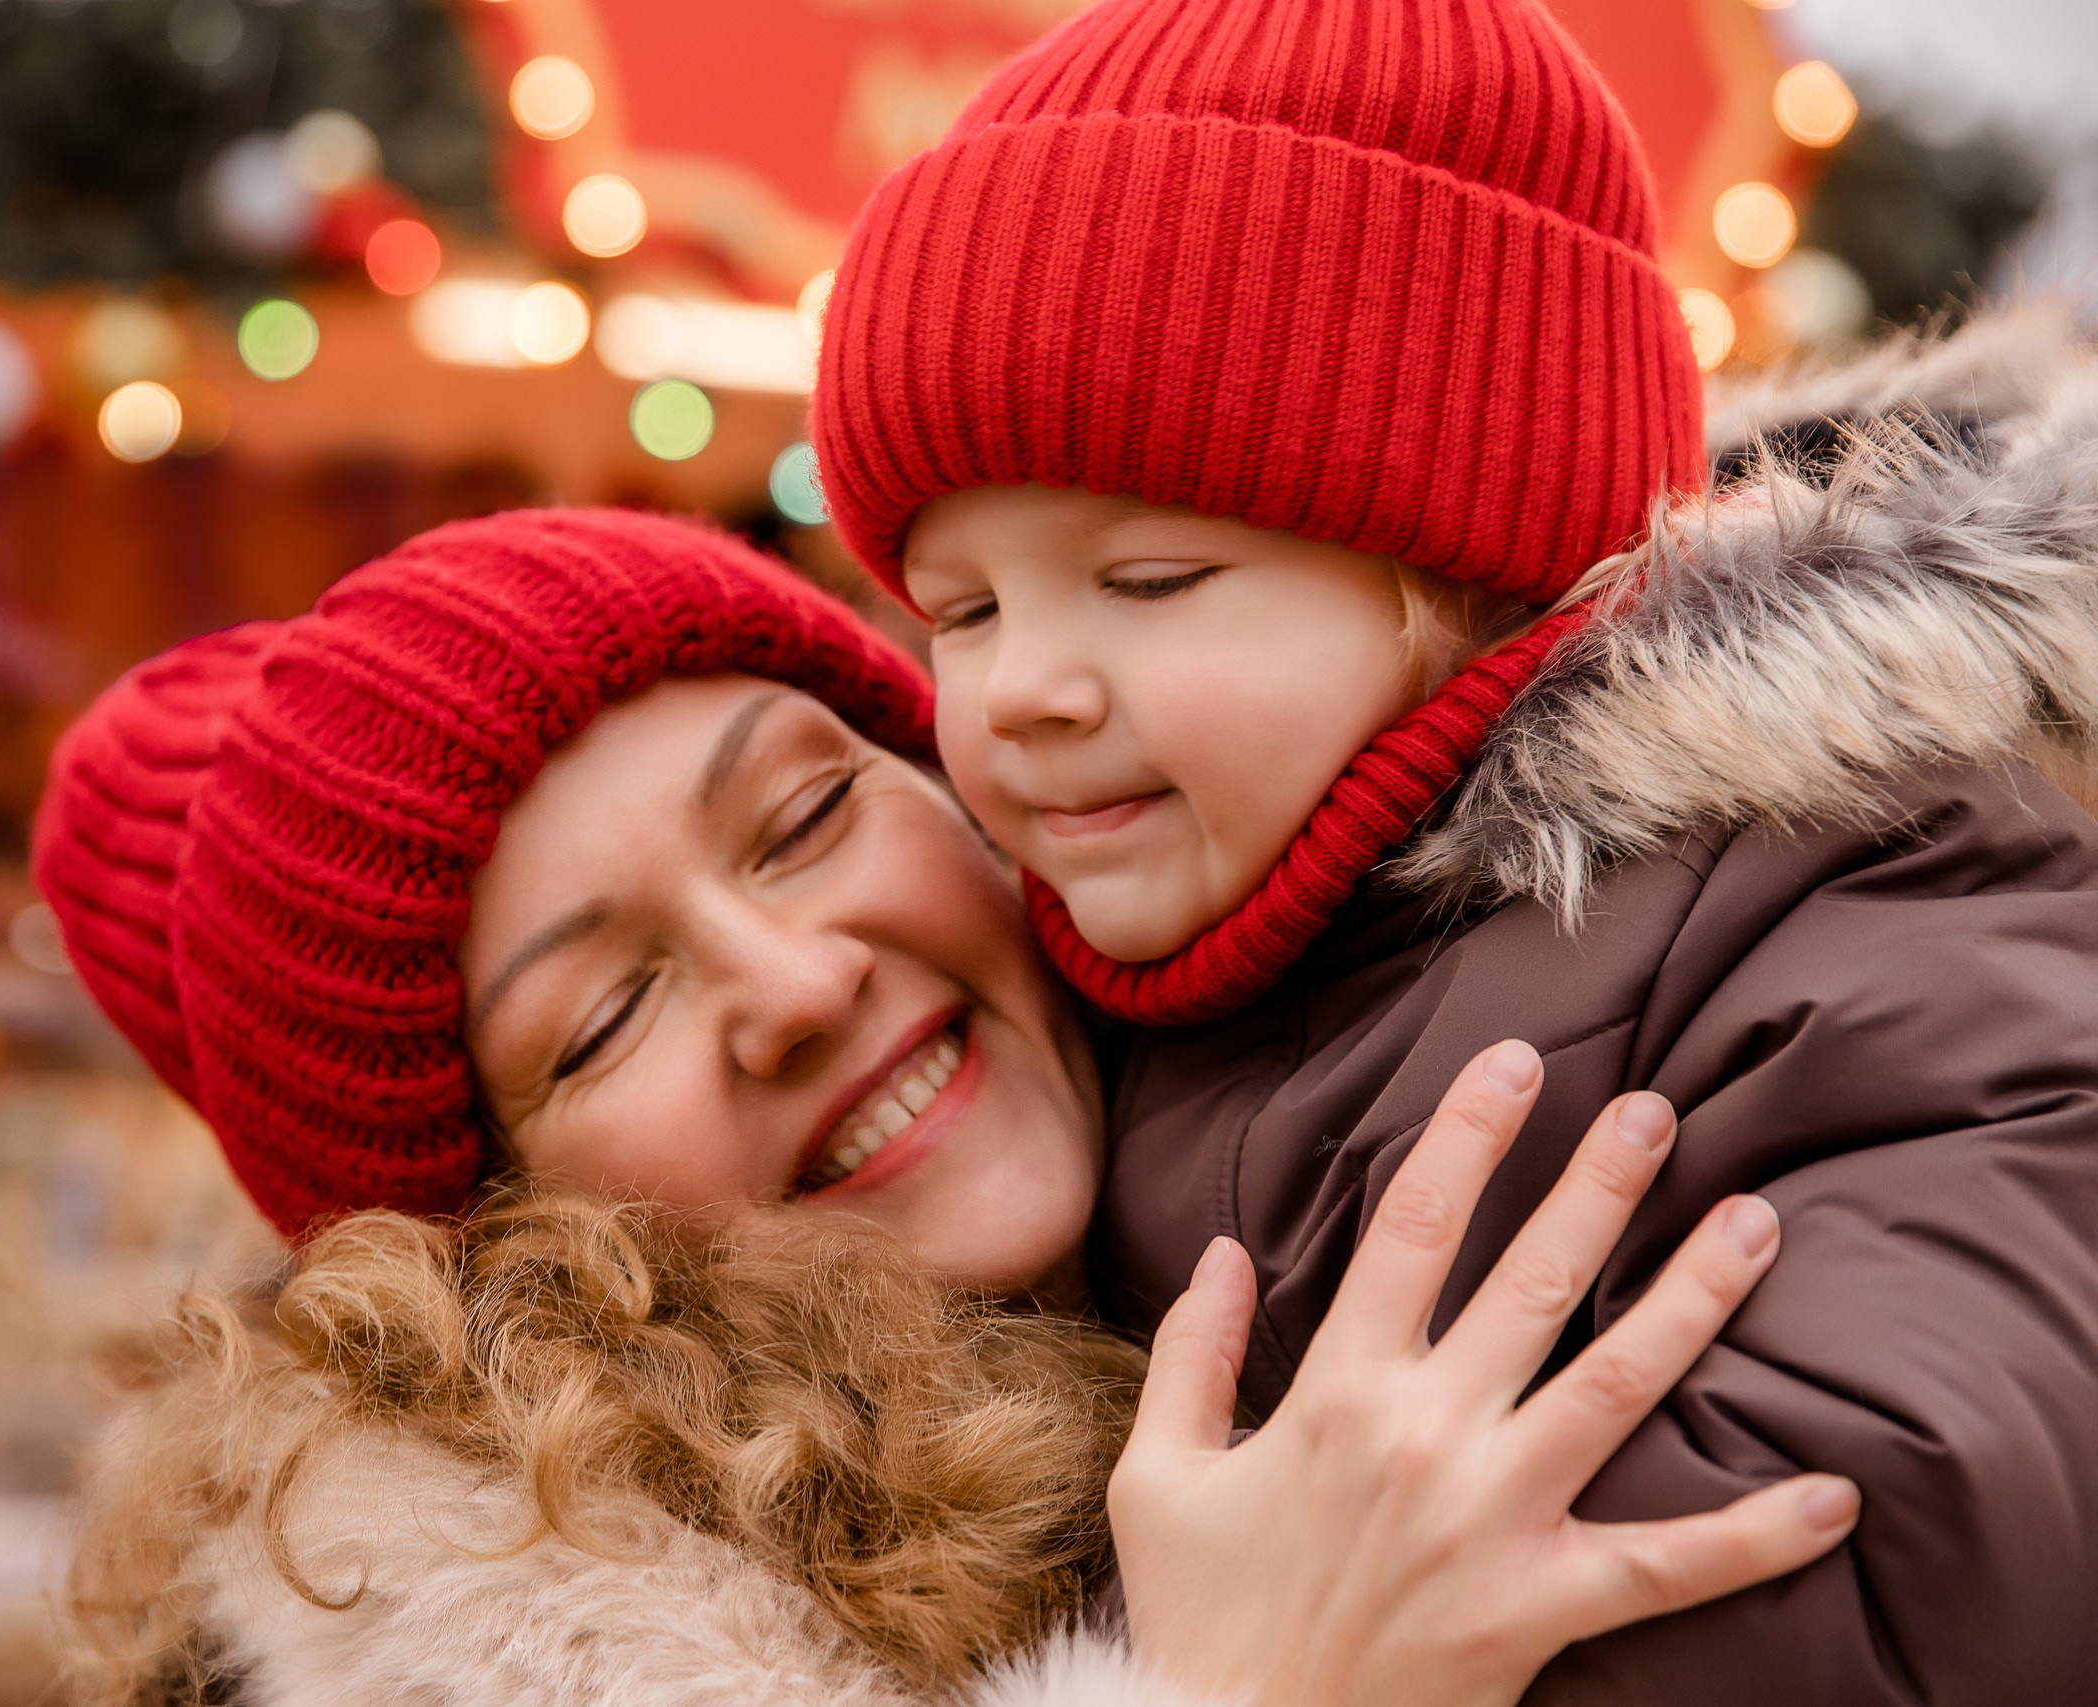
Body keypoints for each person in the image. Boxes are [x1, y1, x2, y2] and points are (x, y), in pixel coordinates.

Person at [807, 0, 2098, 1697]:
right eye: (960, 610)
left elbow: (1921, 1513)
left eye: (1148, 582)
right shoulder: (1143, 991)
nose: (1022, 690)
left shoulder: (1864, 892)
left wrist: (1270, 1651)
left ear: (1466, 571)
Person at [37, 508, 1852, 1705]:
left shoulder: (1339, 1147)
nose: (799, 982)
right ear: (492, 1255)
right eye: (603, 1018)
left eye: (810, 815)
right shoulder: (506, 1649)